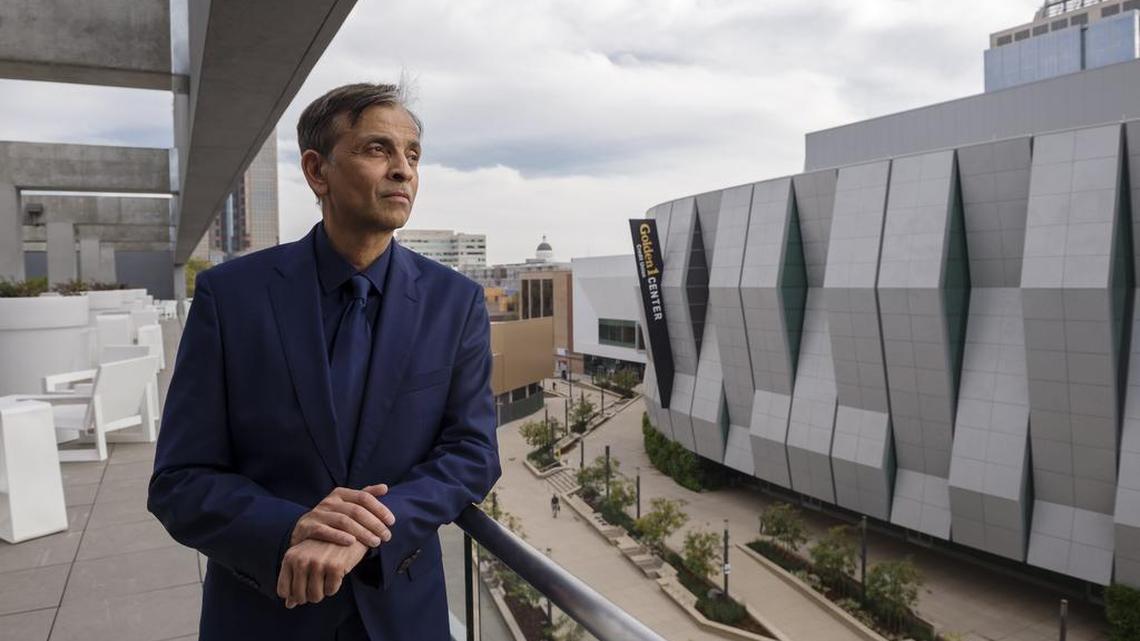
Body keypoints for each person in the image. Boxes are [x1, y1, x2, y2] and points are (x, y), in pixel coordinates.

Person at [147, 83, 501, 641]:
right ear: (318, 172)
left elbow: (472, 452)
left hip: (403, 613)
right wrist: (291, 528)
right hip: (266, 614)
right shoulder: (233, 296)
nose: (403, 171)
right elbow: (179, 479)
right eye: (377, 149)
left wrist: (369, 529)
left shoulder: (454, 302)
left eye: (412, 155)